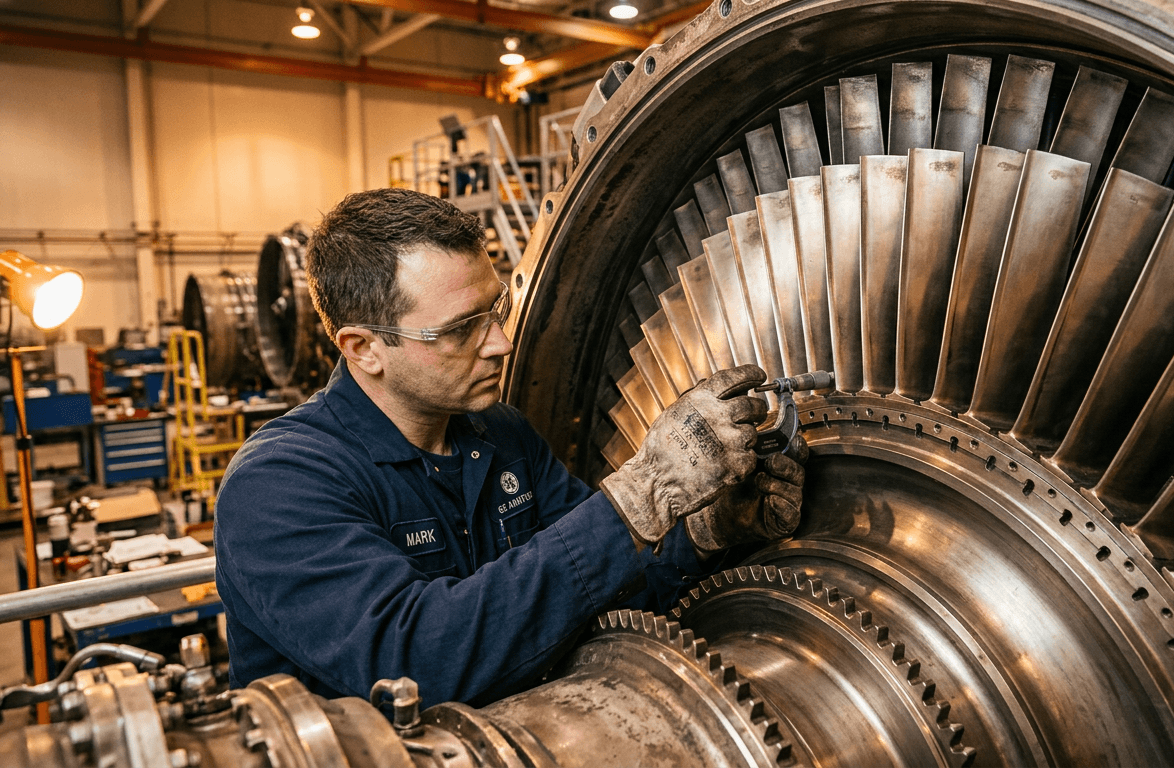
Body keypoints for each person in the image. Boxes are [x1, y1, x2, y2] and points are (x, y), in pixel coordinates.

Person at [214, 188, 807, 708]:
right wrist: (642, 493)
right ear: (364, 348)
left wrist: (704, 535)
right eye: (460, 329)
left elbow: (598, 589)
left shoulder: (500, 435)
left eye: (495, 311)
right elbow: (415, 664)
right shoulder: (279, 485)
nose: (499, 343)